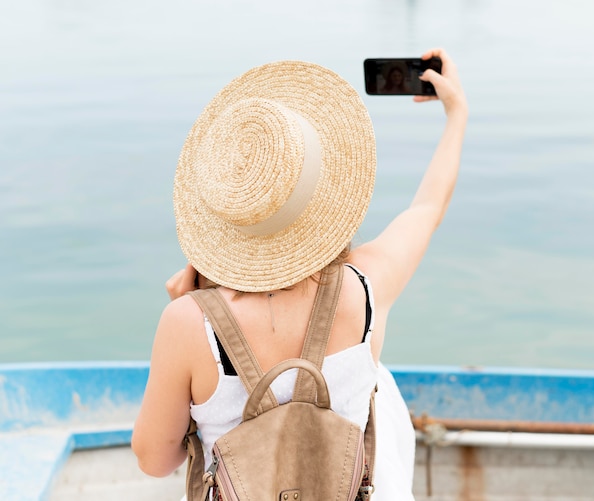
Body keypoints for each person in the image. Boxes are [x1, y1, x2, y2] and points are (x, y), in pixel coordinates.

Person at [132, 48, 467, 500]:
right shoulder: (366, 288)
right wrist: (457, 114)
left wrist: (195, 316)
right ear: (324, 197)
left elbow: (155, 460)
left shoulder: (187, 324)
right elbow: (427, 209)